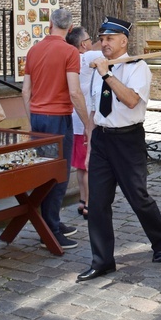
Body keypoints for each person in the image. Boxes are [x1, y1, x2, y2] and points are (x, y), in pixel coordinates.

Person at [77, 17, 161, 281]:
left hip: (128, 140)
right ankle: (103, 260)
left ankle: (160, 240)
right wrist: (90, 142)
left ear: (123, 41)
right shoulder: (100, 67)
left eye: (110, 39)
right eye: (102, 38)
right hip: (103, 140)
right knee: (97, 202)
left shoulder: (137, 67)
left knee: (138, 196)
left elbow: (130, 100)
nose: (104, 43)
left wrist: (107, 74)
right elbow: (96, 108)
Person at [22, 8, 91, 249]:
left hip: (39, 117)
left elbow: (25, 91)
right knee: (59, 173)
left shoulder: (33, 50)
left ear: (50, 24)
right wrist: (88, 124)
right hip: (59, 118)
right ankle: (49, 229)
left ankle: (51, 220)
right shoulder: (70, 51)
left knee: (44, 172)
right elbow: (74, 91)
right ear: (70, 29)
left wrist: (33, 118)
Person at [65, 26, 103, 220]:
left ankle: (82, 200)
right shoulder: (87, 58)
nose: (91, 41)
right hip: (85, 118)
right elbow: (103, 49)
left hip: (74, 119)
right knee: (88, 165)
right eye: (89, 39)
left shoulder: (70, 58)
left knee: (80, 165)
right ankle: (89, 203)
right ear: (82, 44)